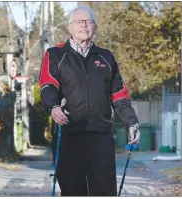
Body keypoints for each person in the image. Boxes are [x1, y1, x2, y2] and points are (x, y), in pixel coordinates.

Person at [39, 5, 140, 196]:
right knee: (72, 192)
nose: (84, 25)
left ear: (95, 26)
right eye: (79, 21)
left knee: (104, 192)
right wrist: (53, 107)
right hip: (68, 135)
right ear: (69, 27)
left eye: (88, 21)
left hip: (100, 137)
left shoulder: (106, 57)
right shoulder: (55, 55)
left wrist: (131, 122)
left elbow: (119, 95)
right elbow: (47, 85)